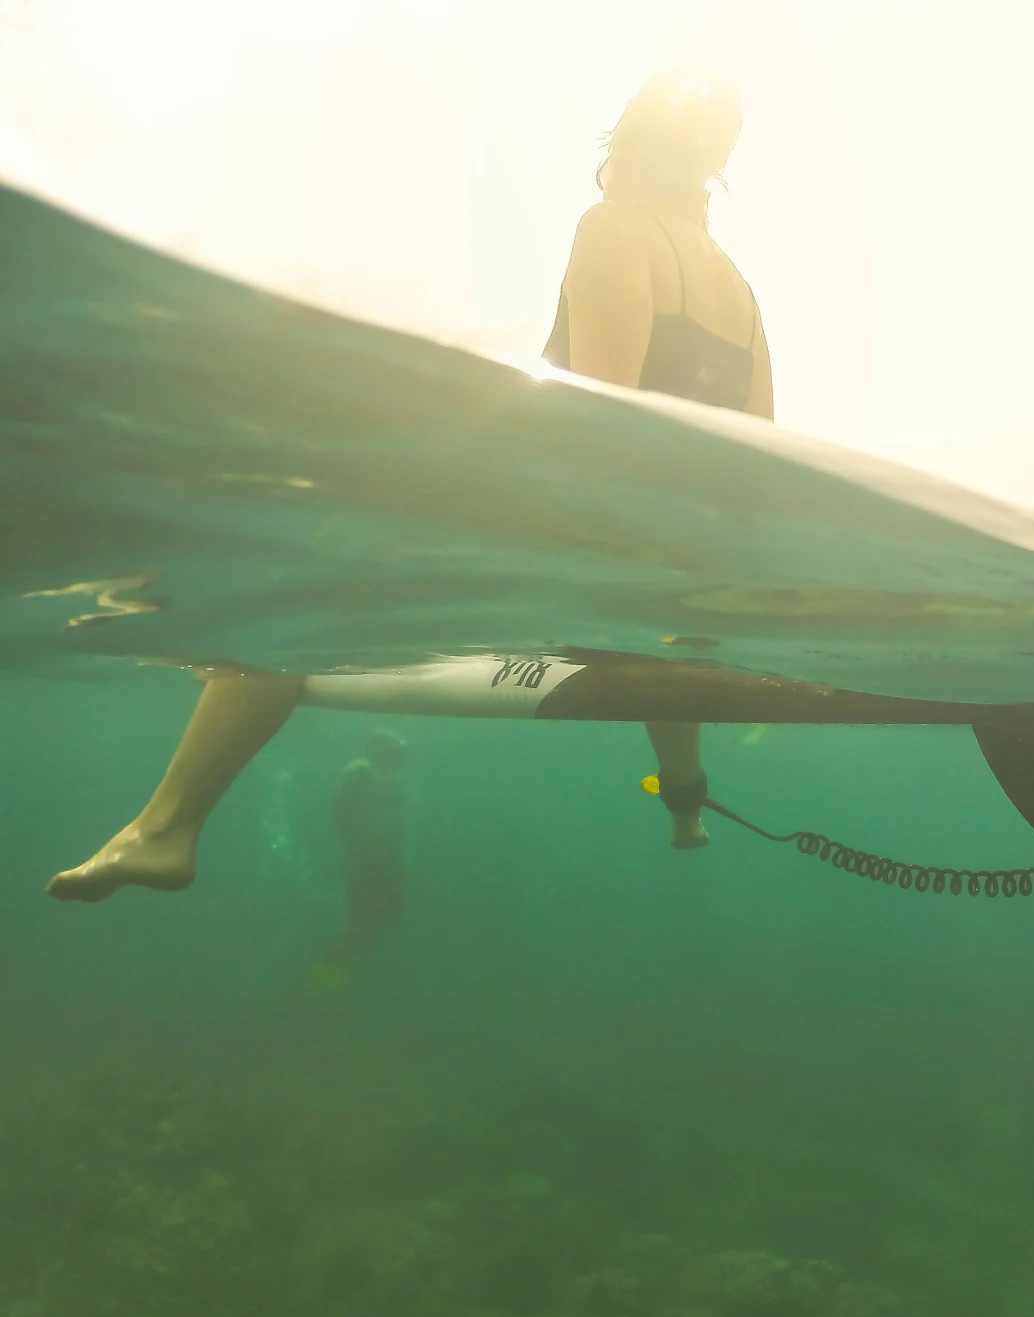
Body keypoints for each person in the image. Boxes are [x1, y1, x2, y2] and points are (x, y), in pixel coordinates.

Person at [47, 73, 771, 903]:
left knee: (300, 582)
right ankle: (685, 802)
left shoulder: (612, 227)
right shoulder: (745, 298)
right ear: (717, 161)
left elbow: (599, 436)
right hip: (668, 592)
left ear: (629, 144)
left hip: (577, 556)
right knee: (660, 635)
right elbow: (753, 469)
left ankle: (165, 830)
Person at [316, 730, 408, 979]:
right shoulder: (360, 772)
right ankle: (329, 966)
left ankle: (345, 958)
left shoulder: (391, 780)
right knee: (364, 918)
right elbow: (342, 815)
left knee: (391, 913)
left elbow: (394, 823)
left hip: (384, 856)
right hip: (365, 858)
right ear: (380, 752)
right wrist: (354, 850)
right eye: (395, 752)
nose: (400, 758)